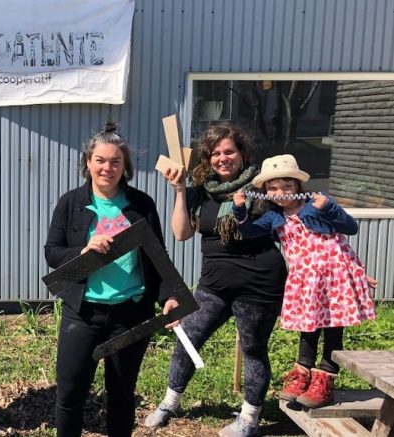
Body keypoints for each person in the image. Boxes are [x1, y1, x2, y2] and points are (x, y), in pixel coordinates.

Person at [145, 122, 288, 437]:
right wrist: (180, 191)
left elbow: (295, 225)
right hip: (214, 285)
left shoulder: (262, 188)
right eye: (215, 153)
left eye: (229, 151)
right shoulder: (201, 191)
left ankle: (249, 420)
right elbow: (181, 233)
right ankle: (171, 401)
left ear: (242, 153)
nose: (223, 158)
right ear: (207, 158)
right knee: (188, 336)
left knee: (253, 349)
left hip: (260, 285)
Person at [44, 122, 177, 437]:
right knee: (70, 394)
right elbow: (52, 253)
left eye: (115, 161)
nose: (107, 167)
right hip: (83, 314)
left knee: (121, 395)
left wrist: (169, 295)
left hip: (130, 314)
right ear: (88, 163)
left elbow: (158, 257)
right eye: (100, 160)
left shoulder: (141, 204)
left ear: (125, 166)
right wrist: (83, 250)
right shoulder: (71, 203)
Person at [232, 154, 377, 409]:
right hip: (306, 281)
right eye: (273, 188)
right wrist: (240, 210)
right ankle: (303, 373)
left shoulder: (315, 205)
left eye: (287, 186)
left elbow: (350, 227)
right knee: (308, 329)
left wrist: (330, 207)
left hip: (334, 278)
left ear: (297, 186)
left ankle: (326, 378)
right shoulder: (275, 217)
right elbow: (249, 232)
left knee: (333, 328)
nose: (281, 192)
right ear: (265, 191)